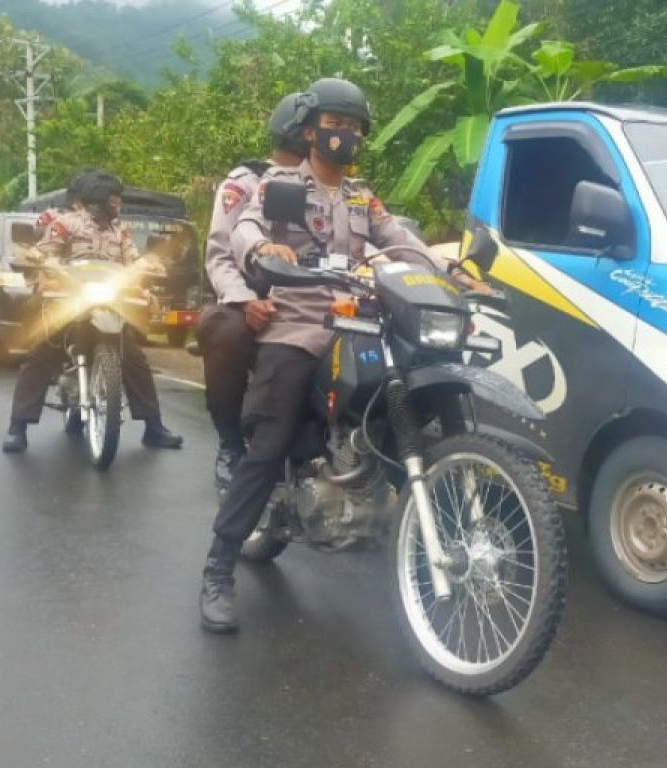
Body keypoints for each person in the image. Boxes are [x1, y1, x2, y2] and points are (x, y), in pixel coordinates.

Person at [197, 77, 488, 633]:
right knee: (272, 439)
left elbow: (398, 237)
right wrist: (261, 248)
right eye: (336, 126)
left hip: (357, 318)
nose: (345, 137)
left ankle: (416, 523)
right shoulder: (279, 184)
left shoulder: (361, 195)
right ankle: (218, 569)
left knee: (405, 396)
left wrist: (447, 269)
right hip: (298, 320)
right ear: (311, 131)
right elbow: (246, 229)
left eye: (354, 128)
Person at [2, 169, 184, 454]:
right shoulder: (65, 224)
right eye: (114, 201)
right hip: (68, 301)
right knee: (41, 353)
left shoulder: (120, 230)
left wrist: (150, 268)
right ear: (97, 201)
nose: (118, 205)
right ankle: (18, 427)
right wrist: (39, 262)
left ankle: (154, 427)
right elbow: (44, 253)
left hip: (107, 302)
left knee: (135, 357)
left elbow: (133, 261)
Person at [196, 93, 310, 491]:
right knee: (225, 334)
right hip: (248, 292)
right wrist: (245, 300)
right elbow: (220, 255)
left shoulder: (330, 186)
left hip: (309, 297)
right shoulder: (244, 183)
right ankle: (230, 443)